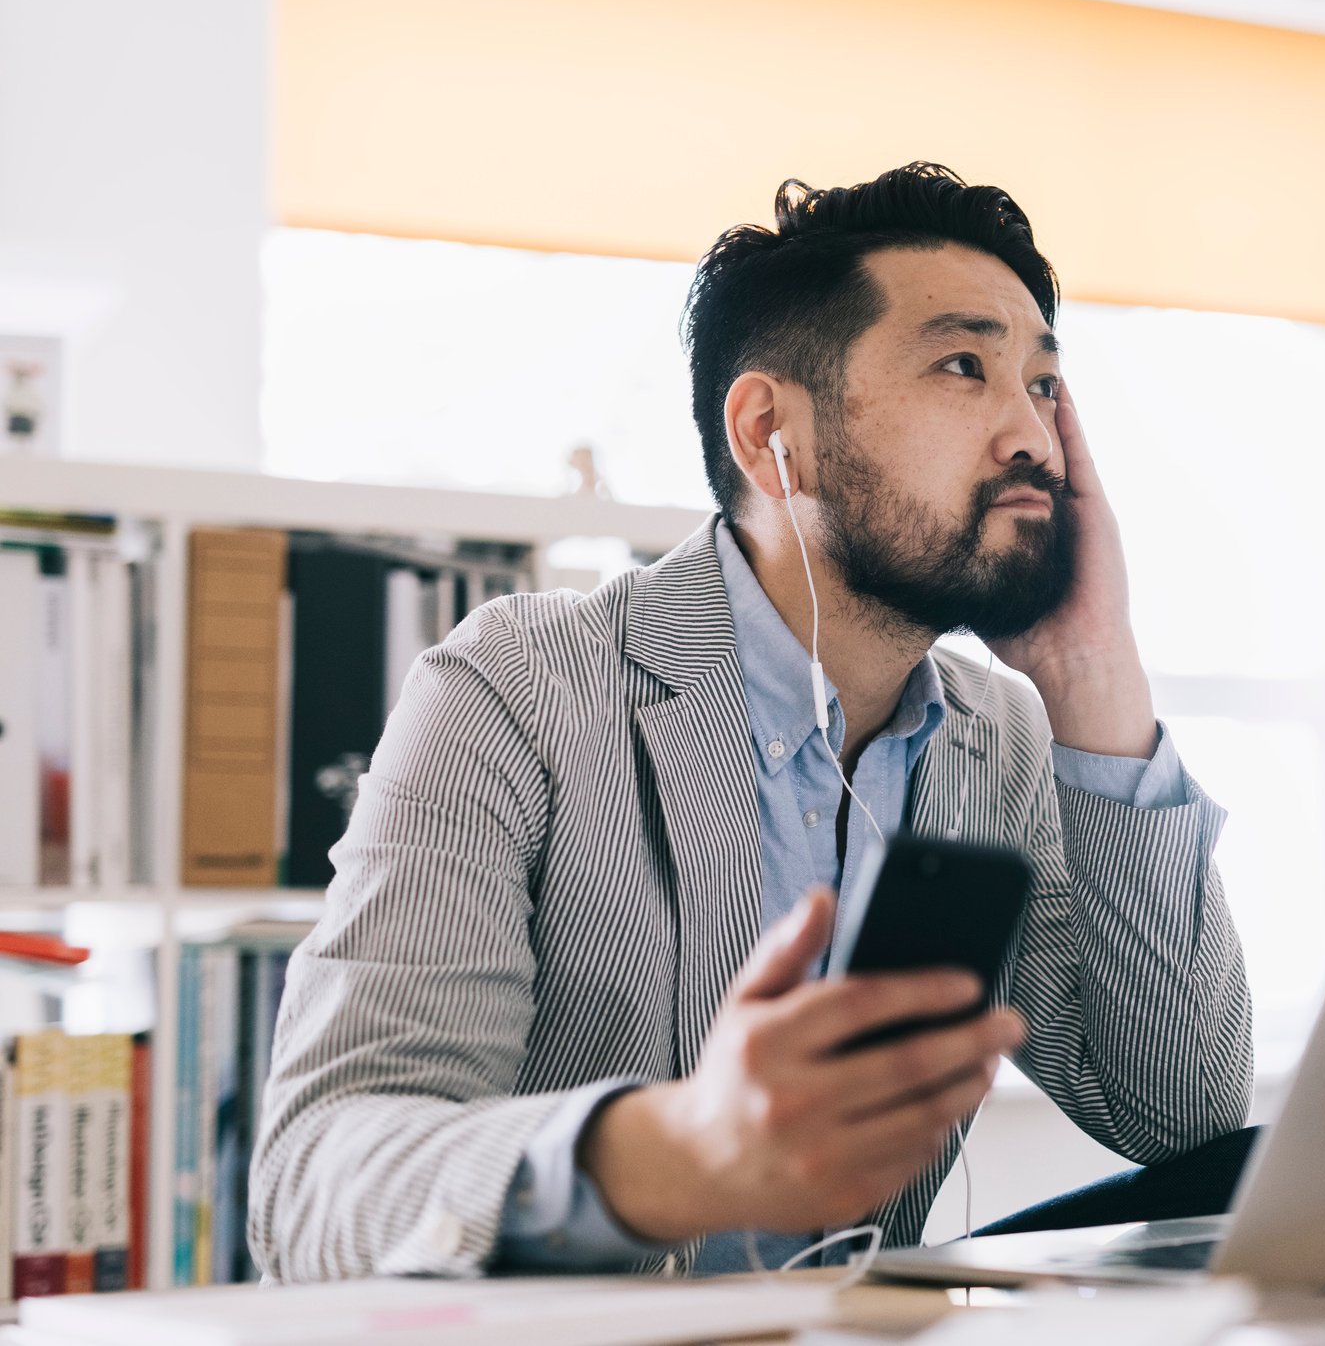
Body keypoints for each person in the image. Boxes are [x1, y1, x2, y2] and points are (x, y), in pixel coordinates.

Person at [249, 162, 1254, 1281]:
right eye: (965, 366)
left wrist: (1090, 672)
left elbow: (1186, 1117)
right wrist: (678, 1152)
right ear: (772, 431)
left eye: (1046, 386)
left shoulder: (1003, 738)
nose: (1034, 438)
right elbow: (314, 1185)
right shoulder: (517, 688)